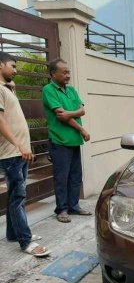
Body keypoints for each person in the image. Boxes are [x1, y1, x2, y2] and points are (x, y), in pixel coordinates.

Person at [0, 52, 50, 257]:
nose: (16, 69)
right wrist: (20, 145)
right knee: (18, 196)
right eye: (12, 65)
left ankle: (13, 233)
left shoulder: (8, 89)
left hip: (17, 152)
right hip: (11, 153)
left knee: (15, 195)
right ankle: (25, 241)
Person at [42, 58, 91, 223]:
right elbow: (61, 117)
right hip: (60, 141)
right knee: (61, 177)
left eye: (68, 72)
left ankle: (74, 206)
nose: (67, 75)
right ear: (53, 74)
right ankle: (61, 209)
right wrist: (82, 129)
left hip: (74, 141)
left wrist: (70, 113)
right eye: (64, 72)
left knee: (76, 176)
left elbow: (82, 110)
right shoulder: (48, 90)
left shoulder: (71, 90)